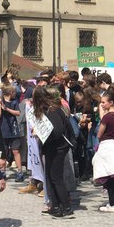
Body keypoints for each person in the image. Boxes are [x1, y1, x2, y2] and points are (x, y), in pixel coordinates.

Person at [34, 86, 76, 218]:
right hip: (54, 147)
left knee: (56, 178)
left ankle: (65, 207)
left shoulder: (52, 111)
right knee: (51, 177)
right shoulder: (50, 109)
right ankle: (56, 205)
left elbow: (56, 132)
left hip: (58, 147)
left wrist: (40, 134)